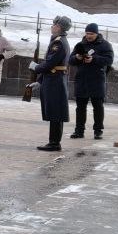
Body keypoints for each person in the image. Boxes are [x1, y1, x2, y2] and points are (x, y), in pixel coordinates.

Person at [33, 16, 72, 151]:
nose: (52, 26)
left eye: (54, 24)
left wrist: (36, 68)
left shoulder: (59, 43)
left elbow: (50, 63)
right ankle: (54, 142)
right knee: (56, 112)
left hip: (55, 81)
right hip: (54, 79)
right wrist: (39, 80)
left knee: (55, 112)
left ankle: (54, 143)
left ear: (59, 27)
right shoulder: (58, 41)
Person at [69, 23, 114, 139]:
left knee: (98, 107)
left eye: (91, 34)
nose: (89, 36)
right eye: (87, 33)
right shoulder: (80, 44)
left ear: (97, 33)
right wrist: (77, 58)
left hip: (97, 80)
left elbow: (109, 60)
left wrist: (94, 59)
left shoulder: (105, 45)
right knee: (80, 107)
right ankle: (79, 131)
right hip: (82, 80)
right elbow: (71, 60)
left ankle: (98, 131)